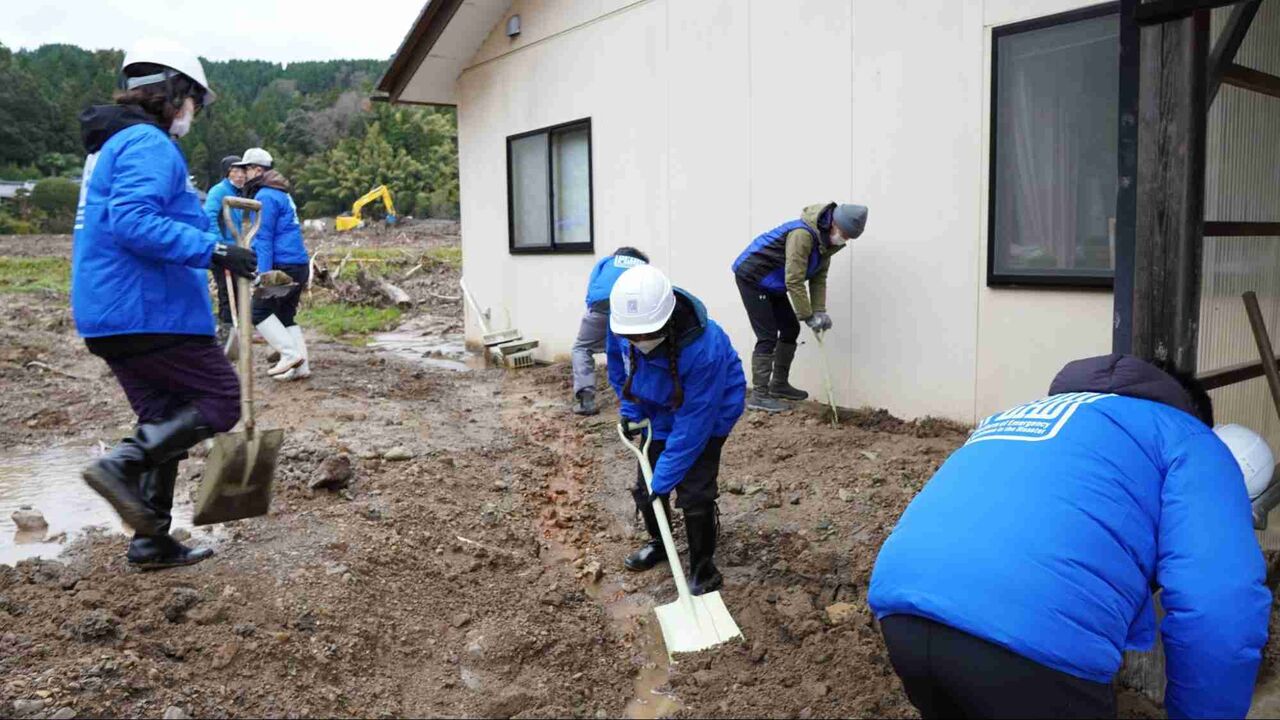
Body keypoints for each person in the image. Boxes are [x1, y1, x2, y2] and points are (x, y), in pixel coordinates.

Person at [867, 353, 1271, 719]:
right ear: (1193, 413)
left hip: (904, 612)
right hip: (1031, 638)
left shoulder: (1023, 412)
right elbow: (1220, 603)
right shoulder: (1191, 439)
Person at [74, 39, 257, 569]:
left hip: (113, 311)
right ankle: (120, 466)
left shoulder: (110, 148)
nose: (192, 115)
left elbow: (148, 217)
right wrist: (214, 248)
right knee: (221, 399)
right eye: (194, 103)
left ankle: (150, 539)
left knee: (165, 417)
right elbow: (133, 222)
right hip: (149, 309)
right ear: (176, 93)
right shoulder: (148, 144)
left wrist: (213, 243)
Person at [607, 265, 747, 595]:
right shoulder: (622, 327)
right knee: (646, 490)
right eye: (632, 336)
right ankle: (660, 543)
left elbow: (695, 423)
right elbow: (621, 371)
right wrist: (631, 411)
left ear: (666, 320)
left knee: (694, 489)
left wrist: (666, 476)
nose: (637, 341)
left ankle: (702, 566)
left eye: (645, 334)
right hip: (658, 408)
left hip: (710, 411)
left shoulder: (704, 347)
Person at [731, 202, 868, 412]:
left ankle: (778, 385)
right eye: (844, 233)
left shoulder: (828, 245)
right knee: (767, 336)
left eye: (849, 237)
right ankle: (759, 395)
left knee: (790, 329)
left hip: (773, 282)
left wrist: (819, 310)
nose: (844, 239)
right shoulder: (802, 235)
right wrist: (808, 315)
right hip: (753, 277)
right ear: (833, 223)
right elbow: (794, 280)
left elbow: (818, 278)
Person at [233, 147, 312, 381]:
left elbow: (264, 237)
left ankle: (289, 355)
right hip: (298, 263)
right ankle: (301, 367)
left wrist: (262, 274)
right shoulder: (281, 192)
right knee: (286, 316)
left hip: (282, 266)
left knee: (258, 312)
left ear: (257, 170)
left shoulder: (265, 195)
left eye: (246, 169)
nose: (244, 174)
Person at [571, 247, 650, 415]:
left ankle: (586, 399)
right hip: (630, 308)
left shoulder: (606, 262)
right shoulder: (644, 267)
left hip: (600, 306)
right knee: (631, 351)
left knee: (582, 348)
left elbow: (593, 287)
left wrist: (593, 312)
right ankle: (640, 398)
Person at [202, 154, 244, 345]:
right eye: (236, 171)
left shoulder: (238, 193)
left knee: (236, 290)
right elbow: (209, 217)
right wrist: (220, 245)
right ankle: (226, 332)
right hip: (221, 249)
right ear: (228, 173)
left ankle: (235, 329)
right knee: (226, 291)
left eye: (243, 171)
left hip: (234, 249)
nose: (240, 176)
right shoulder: (218, 192)